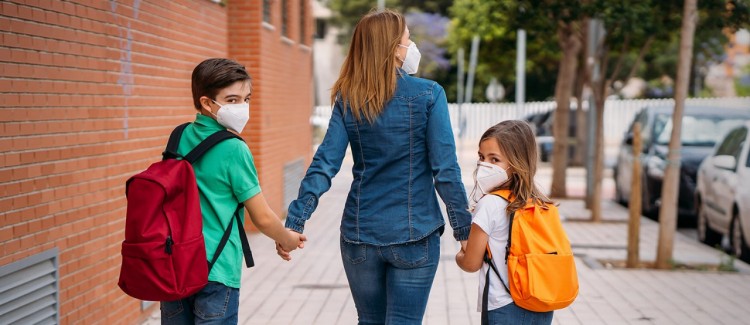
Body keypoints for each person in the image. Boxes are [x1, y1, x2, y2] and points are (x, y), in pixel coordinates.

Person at [278, 9, 472, 324]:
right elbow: (445, 170)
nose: (412, 47)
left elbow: (325, 163)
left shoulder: (349, 97)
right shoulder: (429, 94)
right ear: (394, 47)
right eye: (409, 40)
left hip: (359, 236)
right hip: (415, 235)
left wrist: (296, 222)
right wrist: (463, 229)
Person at [160, 58, 306, 324]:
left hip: (174, 263)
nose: (243, 108)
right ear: (207, 103)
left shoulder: (178, 136)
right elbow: (261, 217)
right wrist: (287, 239)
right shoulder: (234, 149)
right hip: (215, 270)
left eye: (246, 99)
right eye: (232, 100)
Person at [455, 120, 554, 324]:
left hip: (503, 306)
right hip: (541, 303)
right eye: (481, 157)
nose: (484, 165)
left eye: (494, 160)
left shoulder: (489, 204)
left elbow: (471, 263)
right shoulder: (540, 202)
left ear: (517, 163)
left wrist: (459, 255)